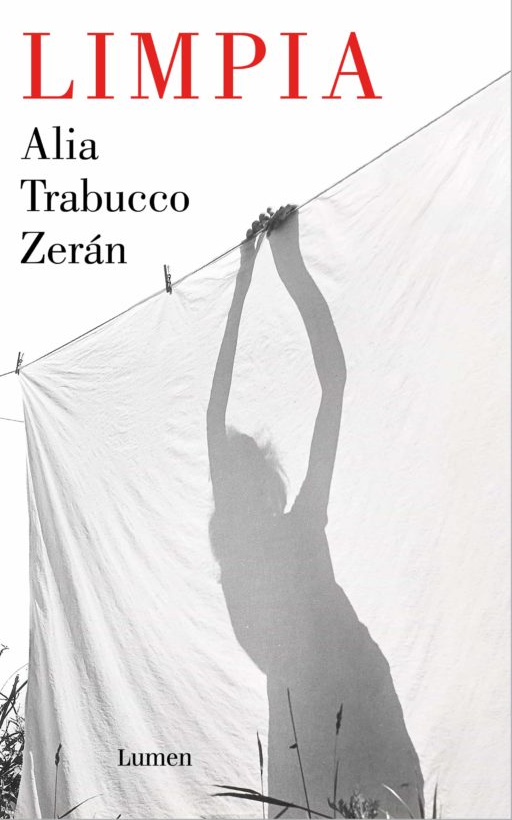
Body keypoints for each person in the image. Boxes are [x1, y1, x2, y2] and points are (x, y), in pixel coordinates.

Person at [207, 207, 424, 818]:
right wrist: (253, 277)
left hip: (350, 705)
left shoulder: (298, 526)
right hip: (314, 720)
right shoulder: (270, 541)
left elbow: (332, 386)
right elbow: (220, 411)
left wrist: (279, 269)